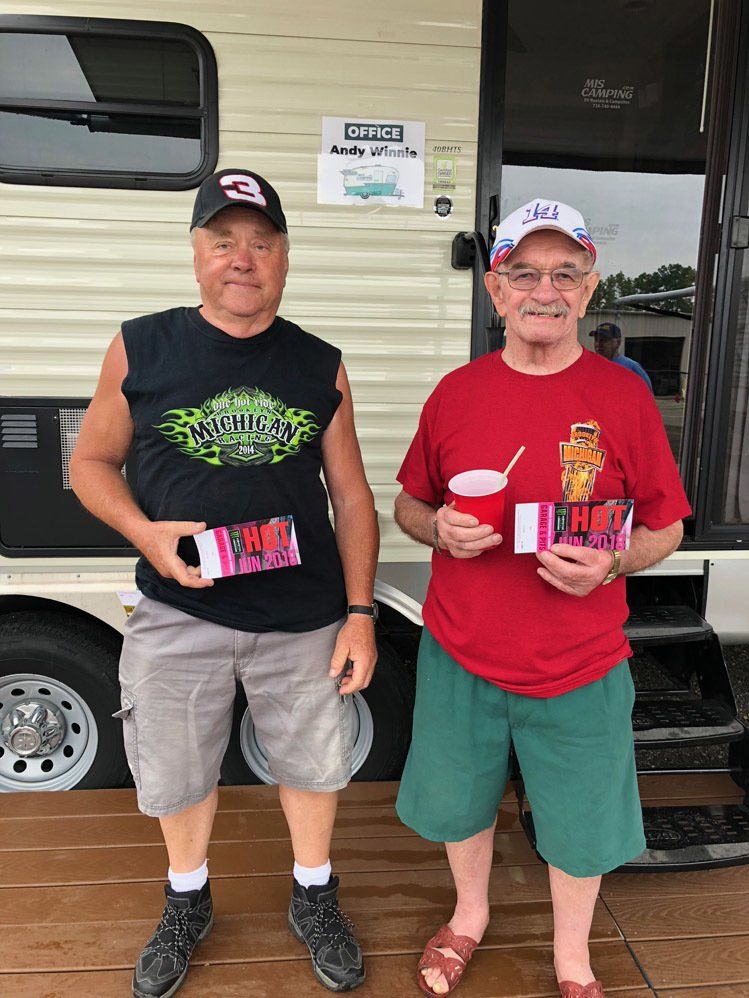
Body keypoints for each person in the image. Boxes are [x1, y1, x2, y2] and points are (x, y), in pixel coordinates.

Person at [70, 168, 378, 997]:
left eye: (261, 242)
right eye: (223, 241)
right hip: (179, 608)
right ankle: (186, 899)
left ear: (283, 257)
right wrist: (143, 532)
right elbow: (89, 461)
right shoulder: (143, 343)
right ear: (197, 254)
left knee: (314, 765)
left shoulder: (321, 365)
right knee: (174, 770)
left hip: (303, 613)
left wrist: (359, 614)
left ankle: (314, 895)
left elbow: (350, 495)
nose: (242, 258)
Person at [393, 197, 690, 998]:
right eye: (524, 272)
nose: (543, 290)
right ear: (495, 290)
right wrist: (437, 530)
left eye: (565, 273)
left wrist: (613, 562)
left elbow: (666, 526)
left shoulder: (624, 398)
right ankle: (468, 916)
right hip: (462, 648)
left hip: (581, 659)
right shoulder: (455, 394)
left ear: (589, 291)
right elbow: (408, 504)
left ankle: (572, 957)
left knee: (582, 825)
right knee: (459, 806)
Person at [590, 321, 654, 391]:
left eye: (604, 340)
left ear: (618, 342)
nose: (599, 344)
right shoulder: (591, 366)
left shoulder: (632, 368)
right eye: (596, 339)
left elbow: (647, 396)